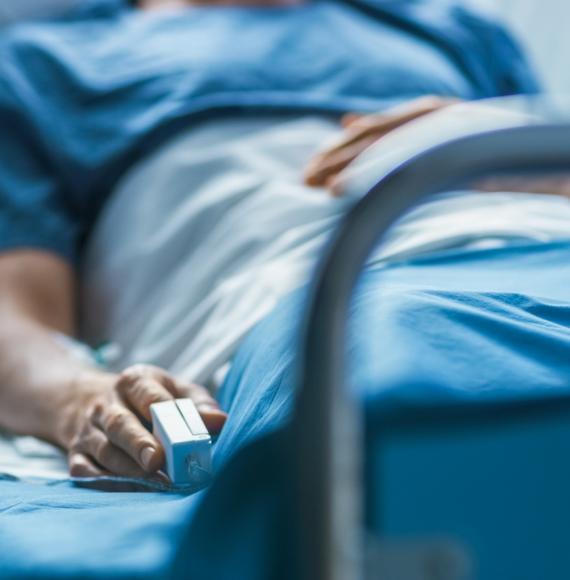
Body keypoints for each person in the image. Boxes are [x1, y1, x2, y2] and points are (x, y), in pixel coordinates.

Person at [0, 0, 544, 481]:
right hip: (328, 299)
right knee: (411, 401)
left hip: (541, 255)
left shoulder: (456, 30)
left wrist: (498, 139)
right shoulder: (44, 64)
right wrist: (79, 399)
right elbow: (15, 318)